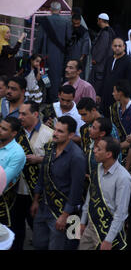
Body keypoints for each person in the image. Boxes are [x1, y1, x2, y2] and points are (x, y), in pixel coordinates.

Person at [30, 116, 87, 250]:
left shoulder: (77, 156)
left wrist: (65, 215)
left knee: (64, 246)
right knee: (39, 244)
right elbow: (42, 174)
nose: (55, 133)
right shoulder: (50, 147)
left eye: (60, 131)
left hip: (65, 212)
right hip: (44, 206)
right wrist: (36, 200)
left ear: (71, 135)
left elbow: (77, 190)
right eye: (55, 129)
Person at [12, 101, 53, 250]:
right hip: (16, 191)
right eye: (19, 113)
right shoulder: (15, 133)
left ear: (35, 114)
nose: (20, 117)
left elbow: (56, 160)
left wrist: (39, 159)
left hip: (37, 193)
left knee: (39, 233)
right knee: (16, 231)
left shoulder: (48, 134)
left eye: (24, 114)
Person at [79, 137, 131, 250]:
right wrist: (83, 222)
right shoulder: (97, 169)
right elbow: (90, 198)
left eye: (98, 148)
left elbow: (121, 212)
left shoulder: (123, 178)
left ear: (108, 154)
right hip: (91, 226)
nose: (94, 150)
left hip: (108, 231)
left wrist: (109, 240)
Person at [35, 2, 70, 103]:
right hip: (58, 55)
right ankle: (53, 100)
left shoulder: (45, 21)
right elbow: (68, 38)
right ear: (60, 11)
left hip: (44, 55)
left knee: (43, 74)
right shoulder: (66, 21)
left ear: (50, 10)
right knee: (55, 77)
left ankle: (44, 96)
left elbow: (39, 39)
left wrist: (36, 54)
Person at [0, 117, 26, 227]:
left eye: (4, 129)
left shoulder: (17, 153)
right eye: (0, 127)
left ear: (14, 133)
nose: (0, 130)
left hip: (3, 202)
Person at [90, 13, 116, 95]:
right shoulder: (108, 31)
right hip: (102, 62)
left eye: (98, 20)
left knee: (97, 81)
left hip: (101, 63)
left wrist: (96, 60)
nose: (97, 21)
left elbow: (102, 48)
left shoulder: (106, 32)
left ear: (101, 20)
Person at [67, 13, 90, 79]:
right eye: (74, 24)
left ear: (80, 21)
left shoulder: (84, 31)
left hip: (79, 55)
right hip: (70, 54)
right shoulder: (70, 28)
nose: (76, 26)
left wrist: (82, 56)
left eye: (77, 24)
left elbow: (86, 44)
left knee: (78, 73)